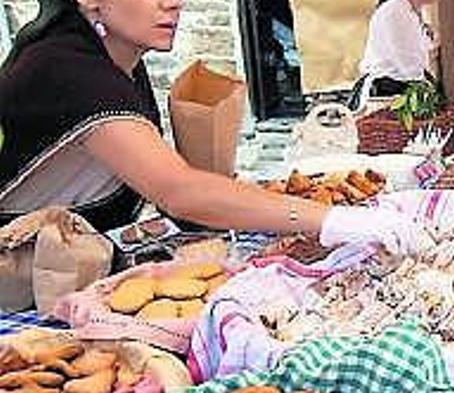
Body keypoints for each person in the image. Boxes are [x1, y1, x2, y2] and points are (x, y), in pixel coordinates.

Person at [0, 0, 425, 255]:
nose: (173, 3)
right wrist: (331, 220)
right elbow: (178, 191)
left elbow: (166, 190)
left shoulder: (119, 59)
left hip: (77, 267)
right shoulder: (64, 68)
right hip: (23, 283)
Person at [356, 0, 438, 100]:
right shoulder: (395, 9)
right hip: (387, 91)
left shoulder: (415, 11)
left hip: (403, 87)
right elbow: (409, 66)